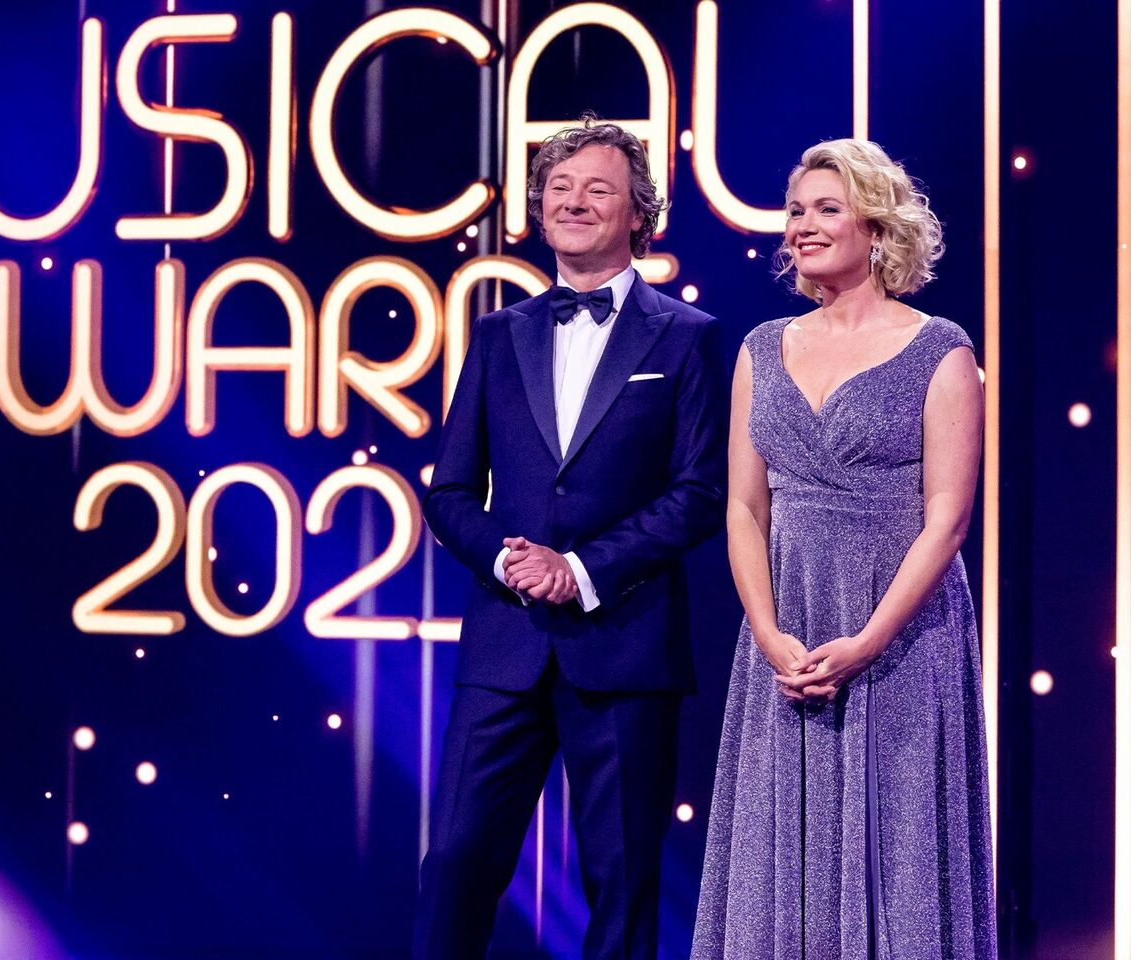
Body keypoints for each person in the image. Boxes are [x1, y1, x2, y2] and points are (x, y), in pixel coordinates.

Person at [414, 116, 728, 959]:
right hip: (504, 647)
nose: (573, 202)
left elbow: (702, 491)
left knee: (622, 886)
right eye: (558, 188)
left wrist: (582, 570)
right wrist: (508, 560)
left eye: (597, 189)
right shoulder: (498, 333)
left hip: (624, 646)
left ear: (639, 213)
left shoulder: (688, 337)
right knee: (454, 862)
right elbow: (449, 492)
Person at [691, 139, 996, 959]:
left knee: (899, 847)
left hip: (901, 636)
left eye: (827, 208)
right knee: (778, 846)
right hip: (787, 632)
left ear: (877, 225)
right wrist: (767, 633)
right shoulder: (762, 348)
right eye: (796, 210)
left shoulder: (941, 349)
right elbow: (744, 507)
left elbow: (947, 520)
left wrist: (868, 641)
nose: (803, 225)